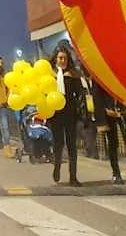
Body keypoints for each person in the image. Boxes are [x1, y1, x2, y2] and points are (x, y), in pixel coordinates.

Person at [90, 78, 126, 185]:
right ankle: (116, 173)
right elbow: (97, 96)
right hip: (109, 111)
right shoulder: (99, 71)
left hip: (124, 109)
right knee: (113, 143)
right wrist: (101, 120)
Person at [49, 45, 83, 186]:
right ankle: (57, 167)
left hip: (70, 114)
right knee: (58, 144)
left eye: (65, 58)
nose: (63, 60)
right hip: (55, 115)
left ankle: (73, 177)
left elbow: (80, 93)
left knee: (71, 146)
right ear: (55, 59)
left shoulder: (73, 74)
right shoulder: (50, 75)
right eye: (60, 58)